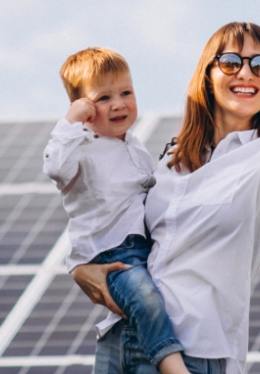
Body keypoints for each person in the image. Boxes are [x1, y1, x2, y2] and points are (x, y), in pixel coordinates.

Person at [73, 12, 260, 374]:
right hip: (120, 340)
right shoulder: (169, 160)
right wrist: (81, 268)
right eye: (231, 62)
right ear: (207, 75)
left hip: (194, 352)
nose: (246, 73)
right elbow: (113, 220)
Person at [43, 47, 190, 374]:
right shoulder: (79, 148)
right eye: (104, 98)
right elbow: (54, 167)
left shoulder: (134, 147)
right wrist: (70, 121)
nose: (119, 103)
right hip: (109, 254)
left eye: (126, 92)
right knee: (146, 299)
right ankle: (172, 365)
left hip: (141, 250)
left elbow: (150, 193)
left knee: (156, 299)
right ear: (83, 108)